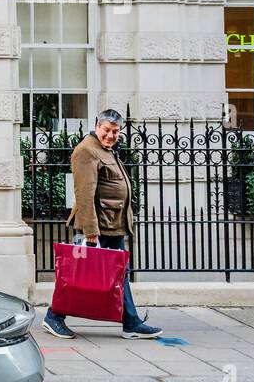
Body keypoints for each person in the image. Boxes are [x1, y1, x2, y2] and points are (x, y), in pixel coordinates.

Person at [42, 109, 163, 340]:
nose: (110, 135)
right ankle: (54, 316)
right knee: (79, 274)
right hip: (98, 227)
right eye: (106, 130)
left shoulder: (105, 149)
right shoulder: (86, 151)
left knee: (117, 275)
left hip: (112, 224)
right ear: (97, 125)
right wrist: (90, 232)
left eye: (115, 131)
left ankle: (130, 322)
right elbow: (84, 194)